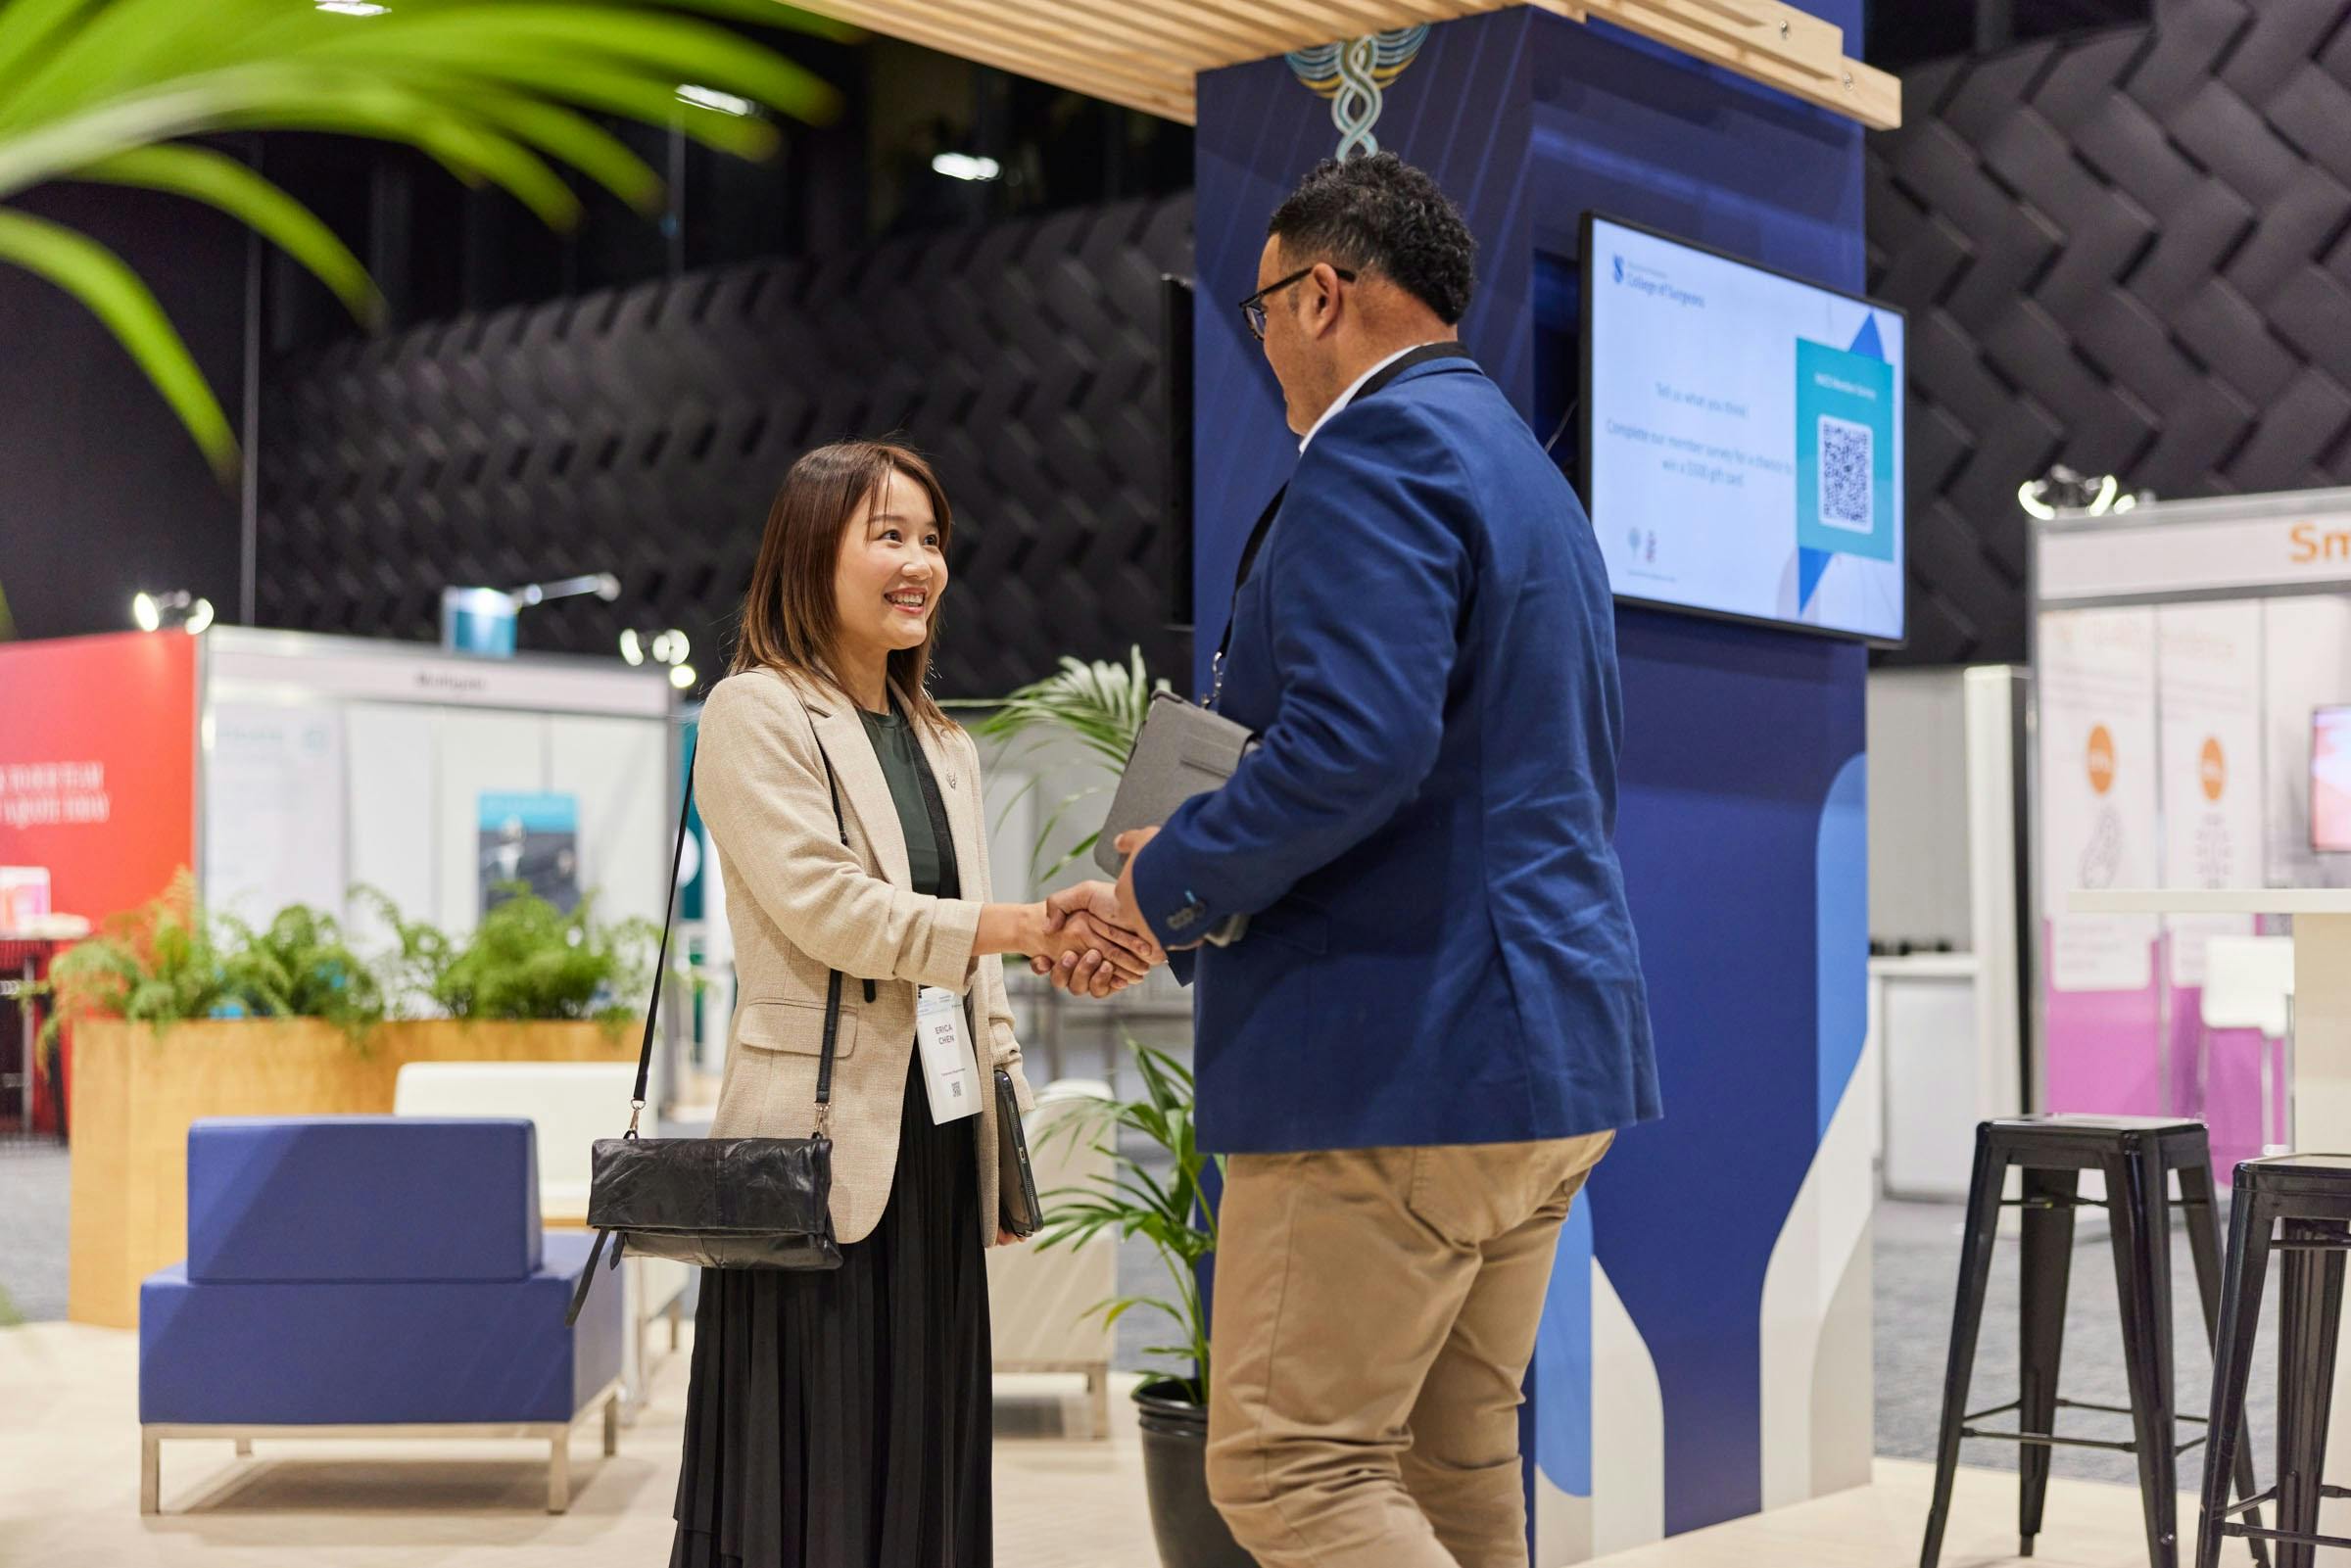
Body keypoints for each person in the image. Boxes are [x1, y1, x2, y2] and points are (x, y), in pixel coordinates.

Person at [1080, 154, 1661, 1568]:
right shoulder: (1525, 472)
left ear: (1324, 293)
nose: (1260, 338)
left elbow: (1354, 746)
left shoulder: (1372, 454)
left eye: (1264, 306)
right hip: (1540, 1062)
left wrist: (1164, 882)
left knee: (1295, 1472)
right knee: (1445, 1456)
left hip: (1394, 1060)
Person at [674, 438, 1159, 1568]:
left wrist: (1004, 1135)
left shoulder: (942, 738)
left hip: (937, 1140)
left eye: (931, 537)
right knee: (817, 1451)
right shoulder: (754, 713)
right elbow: (833, 909)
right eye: (887, 534)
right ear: (810, 552)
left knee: (926, 1442)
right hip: (815, 1147)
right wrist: (1031, 924)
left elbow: (970, 956)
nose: (919, 561)